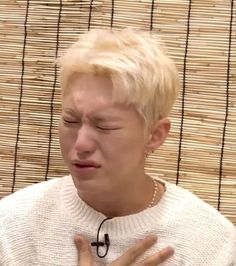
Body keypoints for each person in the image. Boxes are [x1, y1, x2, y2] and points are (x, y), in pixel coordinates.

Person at [0, 28, 235, 266]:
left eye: (104, 127)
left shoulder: (213, 244)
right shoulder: (11, 225)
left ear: (154, 135)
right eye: (70, 121)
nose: (80, 144)